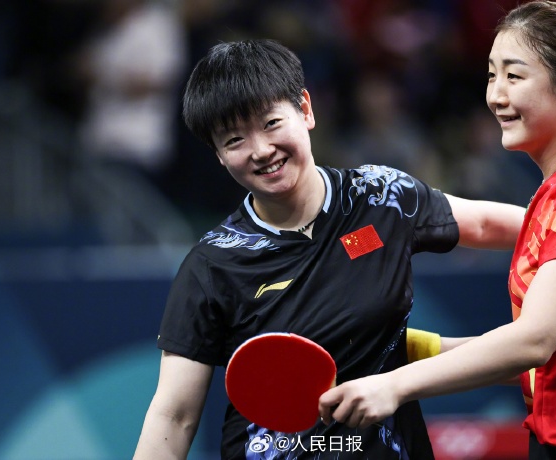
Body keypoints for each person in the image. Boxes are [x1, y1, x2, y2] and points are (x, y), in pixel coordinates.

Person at [133, 39, 525, 460]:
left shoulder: (381, 199)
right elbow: (173, 415)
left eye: (271, 123)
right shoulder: (212, 265)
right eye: (234, 140)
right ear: (219, 156)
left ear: (305, 109)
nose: (261, 150)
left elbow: (495, 225)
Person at [319, 2, 556, 459]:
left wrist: (395, 385)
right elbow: (552, 358)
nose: (496, 95)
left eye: (514, 76)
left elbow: (533, 341)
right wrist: (410, 349)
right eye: (492, 75)